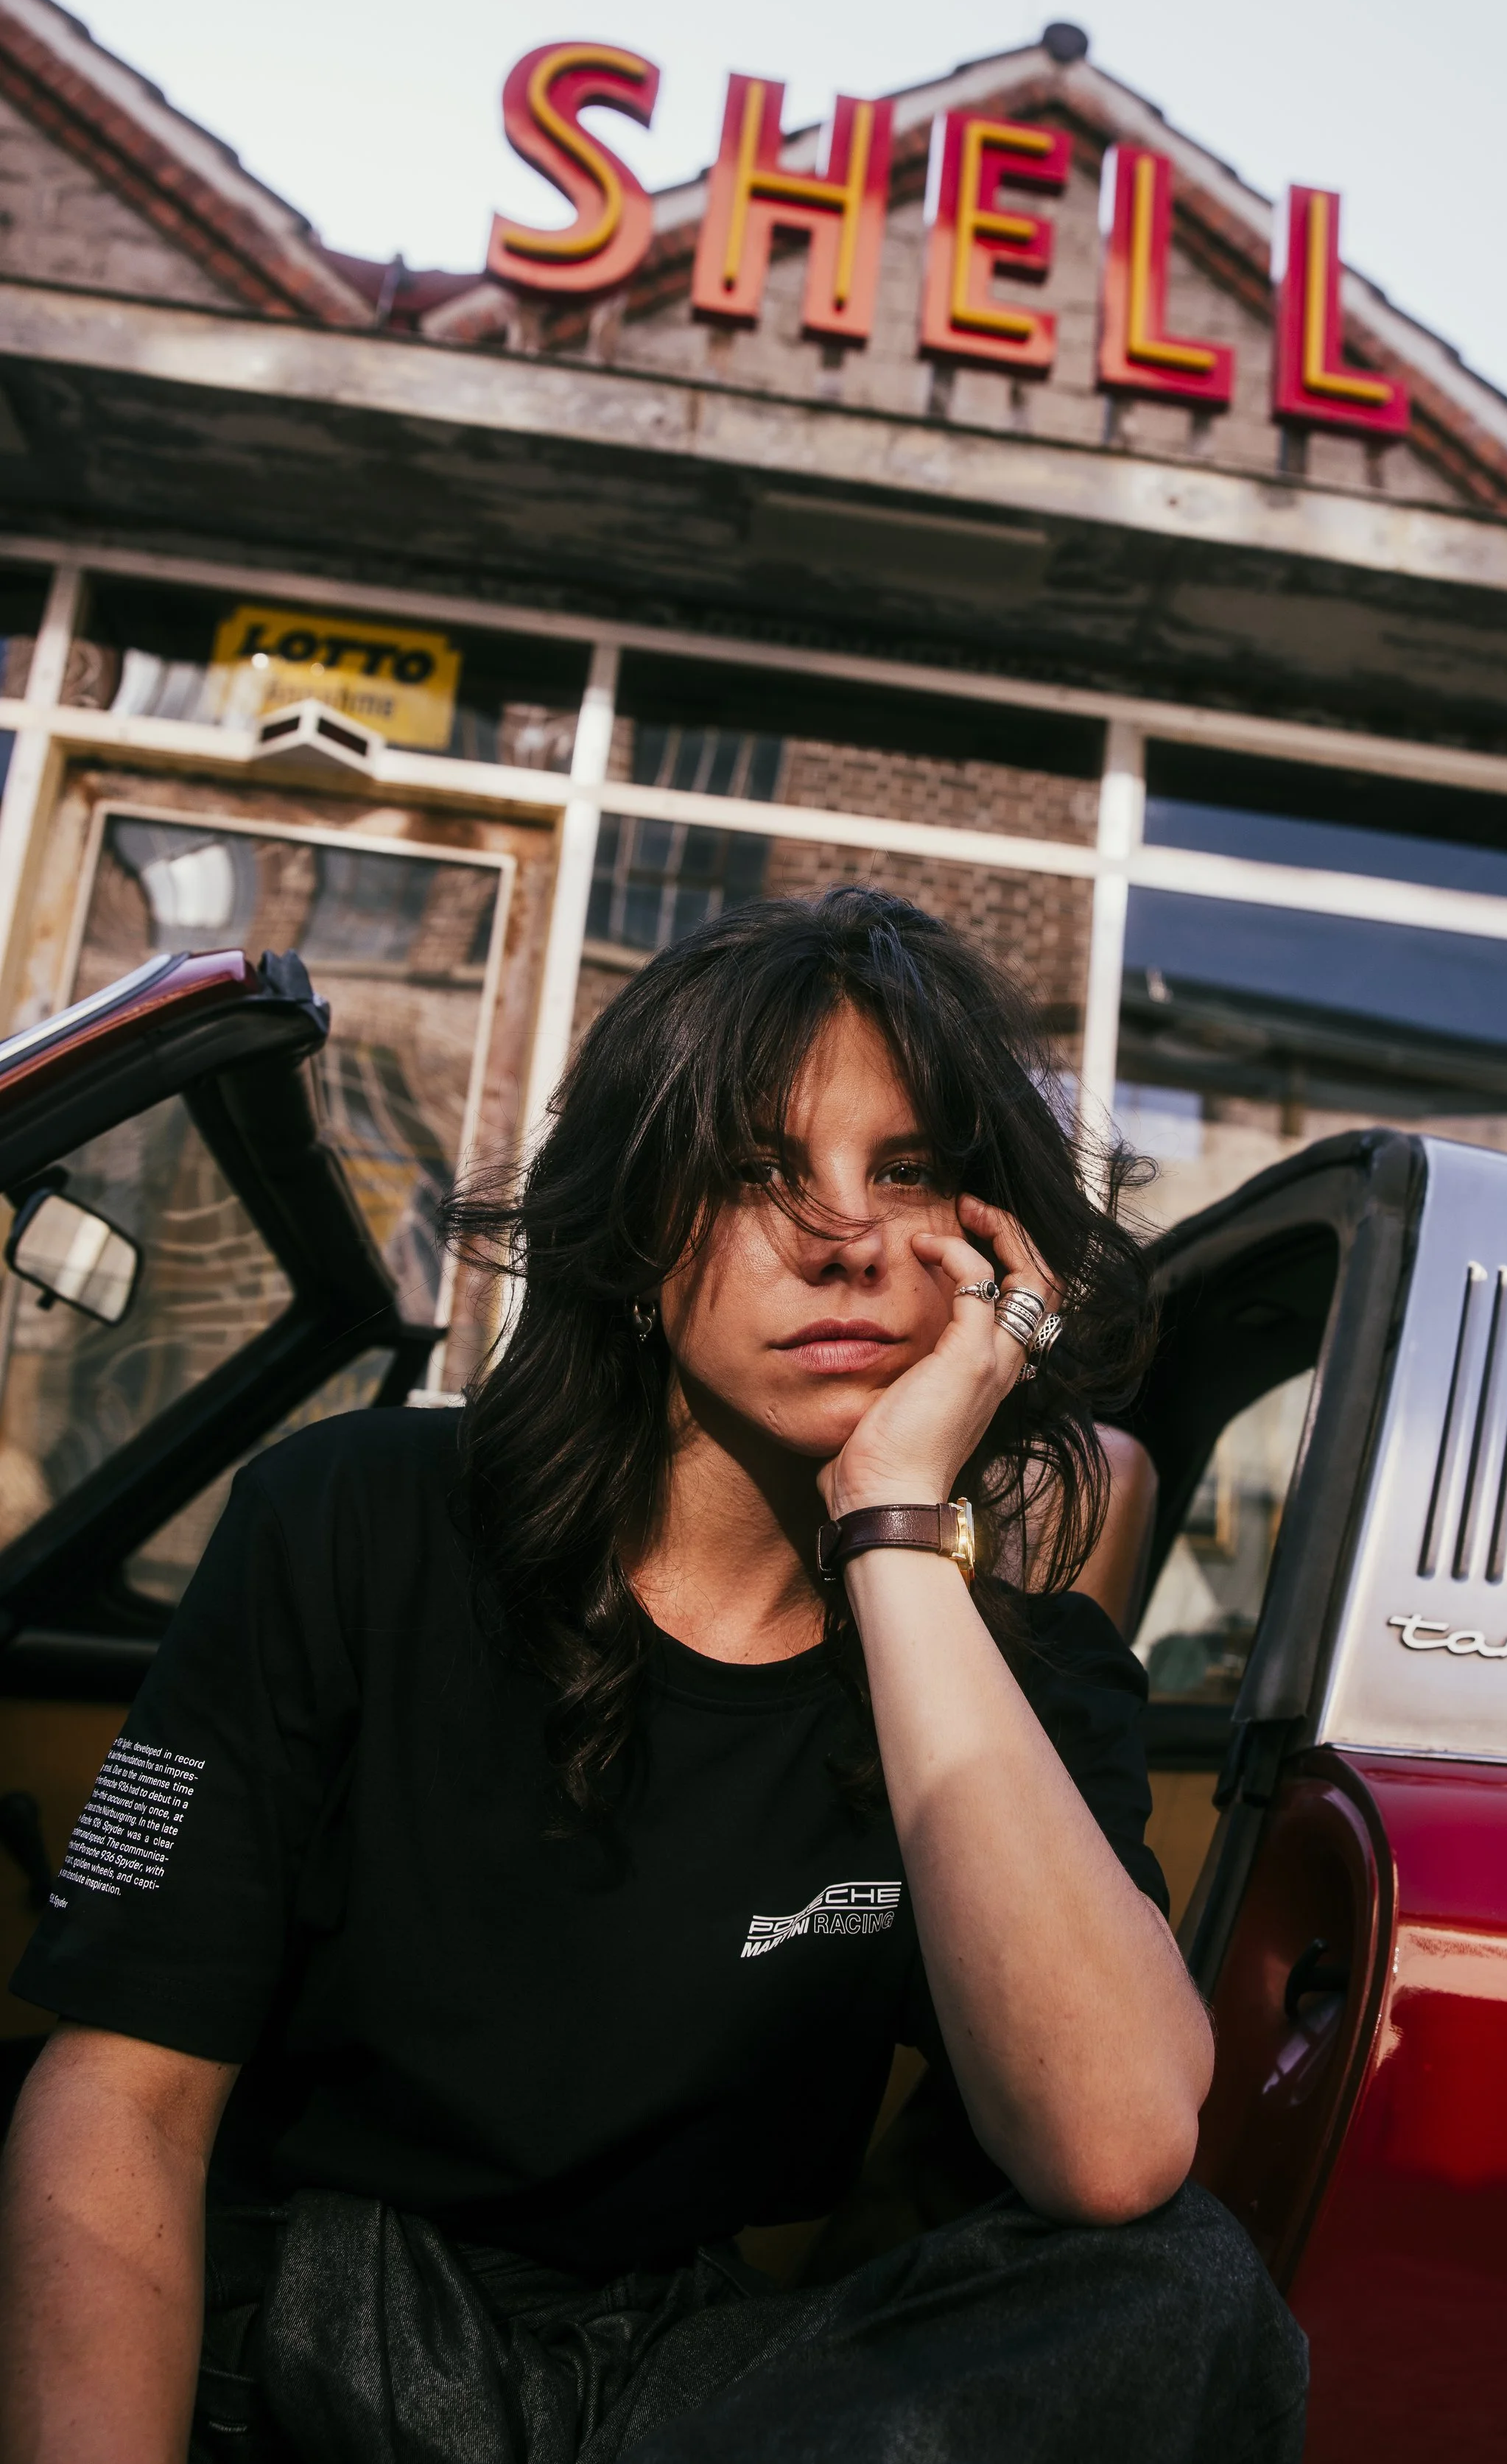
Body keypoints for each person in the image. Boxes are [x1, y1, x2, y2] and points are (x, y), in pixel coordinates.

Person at [0, 888, 1307, 2464]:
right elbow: (124, 2101)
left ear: (991, 1253)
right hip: (308, 2318)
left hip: (676, 2371)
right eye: (760, 1168)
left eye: (906, 1171)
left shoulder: (1010, 1673)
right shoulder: (356, 1521)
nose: (845, 1234)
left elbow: (1109, 2149)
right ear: (630, 1240)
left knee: (1179, 2287)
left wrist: (895, 1529)